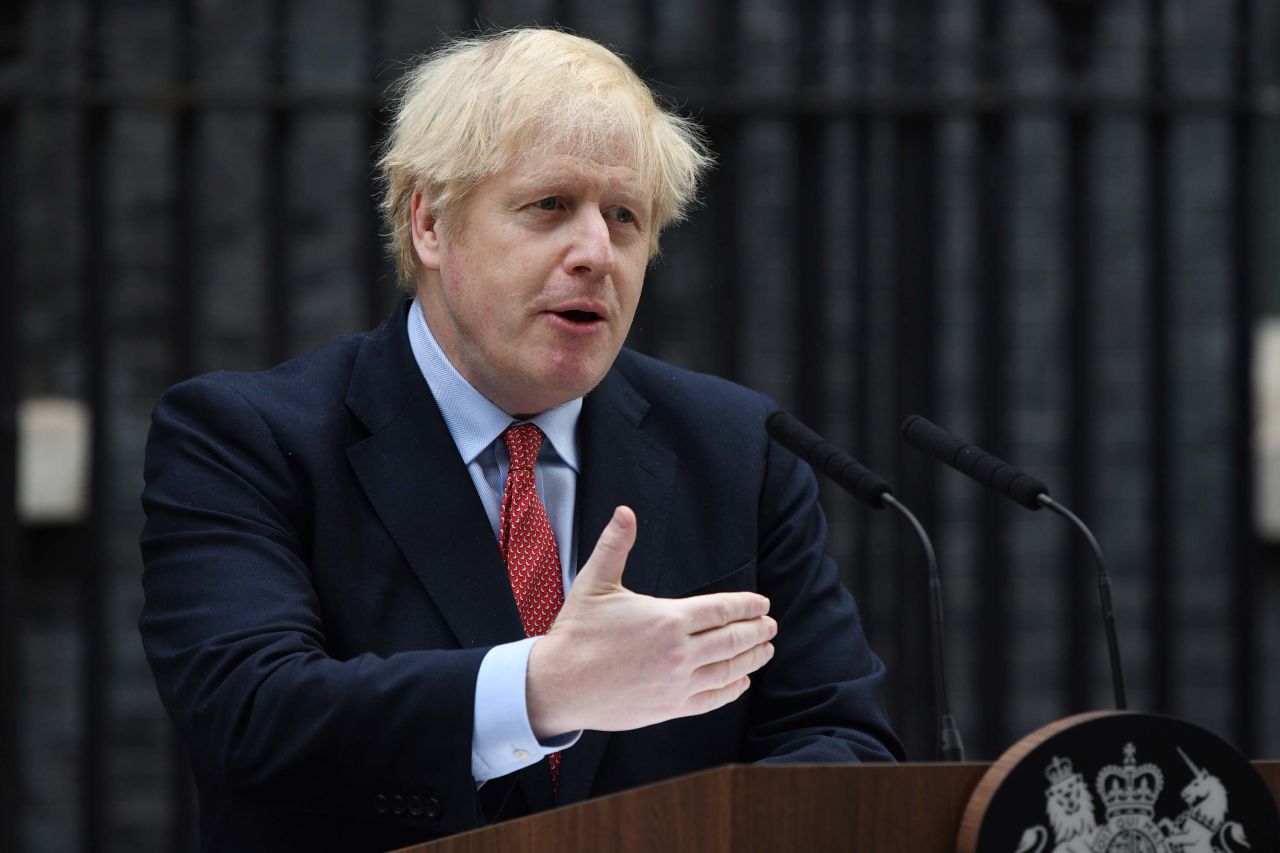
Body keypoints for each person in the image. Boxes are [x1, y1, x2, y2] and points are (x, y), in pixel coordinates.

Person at [139, 27, 903, 852]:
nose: (595, 254)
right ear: (430, 223)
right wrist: (545, 689)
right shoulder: (247, 438)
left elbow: (841, 741)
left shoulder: (737, 446)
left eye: (625, 218)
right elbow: (253, 715)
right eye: (549, 207)